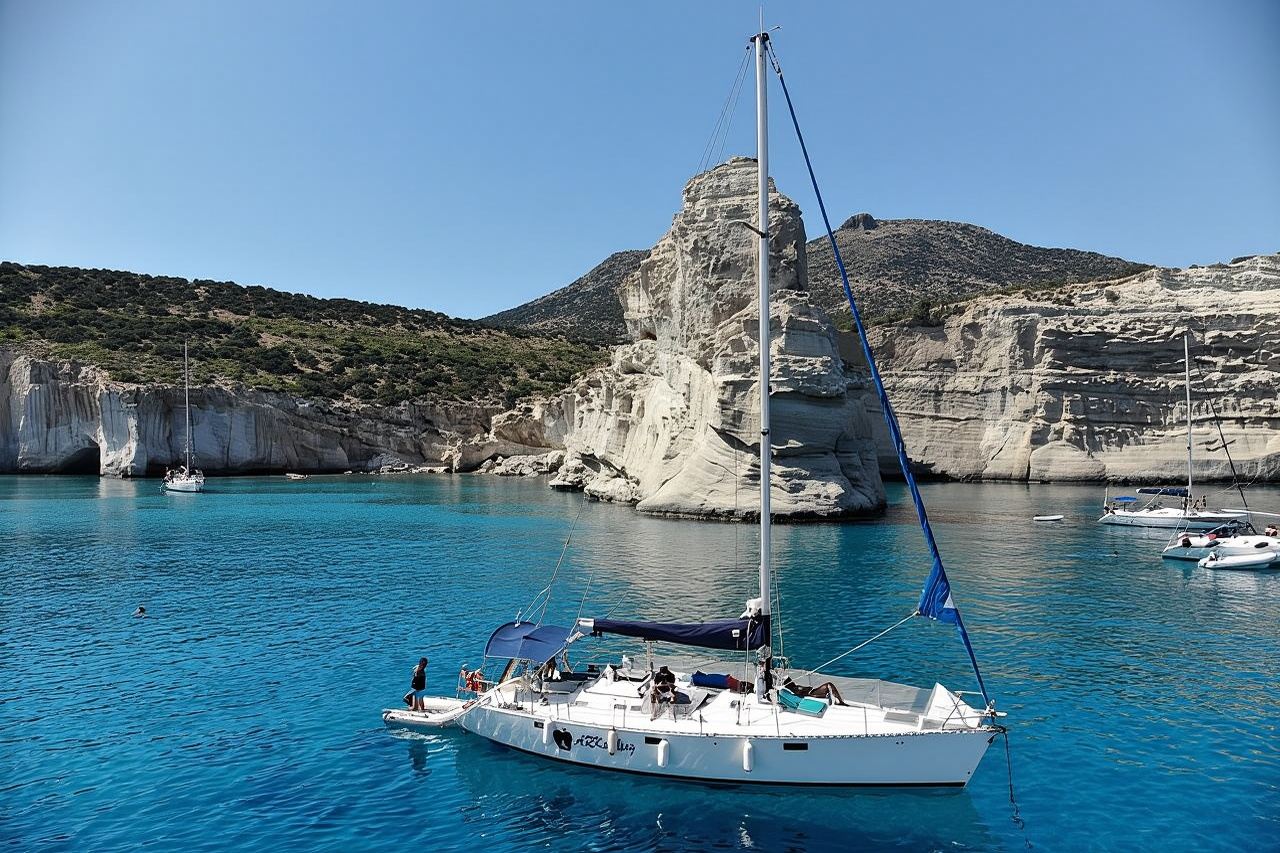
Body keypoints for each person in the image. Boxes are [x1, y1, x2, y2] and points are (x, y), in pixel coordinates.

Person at [782, 677, 847, 706]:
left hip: (812, 692)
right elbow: (803, 692)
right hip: (812, 693)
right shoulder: (796, 689)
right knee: (829, 684)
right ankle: (839, 701)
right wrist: (807, 689)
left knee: (829, 685)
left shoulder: (795, 688)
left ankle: (838, 700)